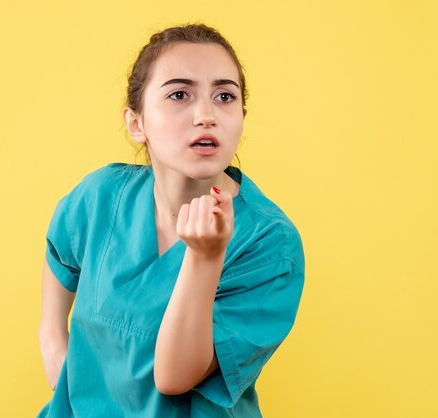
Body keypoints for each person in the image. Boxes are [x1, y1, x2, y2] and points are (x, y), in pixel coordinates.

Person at [37, 23, 305, 417]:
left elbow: (174, 377)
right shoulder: (100, 197)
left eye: (224, 96)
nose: (206, 115)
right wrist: (54, 348)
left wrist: (205, 257)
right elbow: (61, 255)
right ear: (136, 123)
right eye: (180, 94)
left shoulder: (269, 244)